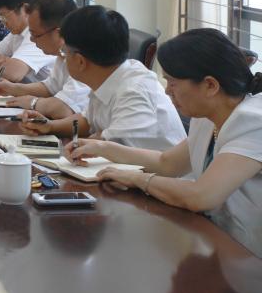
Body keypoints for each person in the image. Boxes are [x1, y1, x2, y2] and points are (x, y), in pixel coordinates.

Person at [66, 28, 262, 257]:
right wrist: (102, 148)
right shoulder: (208, 115)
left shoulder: (253, 121)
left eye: (173, 83)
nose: (167, 91)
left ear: (210, 85)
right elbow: (166, 163)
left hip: (249, 256)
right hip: (219, 243)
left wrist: (138, 179)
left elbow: (201, 196)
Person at [20, 6, 186, 149]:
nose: (62, 57)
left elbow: (109, 147)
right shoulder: (111, 77)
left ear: (80, 61)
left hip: (151, 175)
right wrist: (50, 126)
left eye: (64, 52)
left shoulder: (133, 92)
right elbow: (88, 121)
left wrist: (94, 139)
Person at [0, 0, 90, 118]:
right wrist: (12, 88)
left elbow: (64, 109)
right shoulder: (62, 53)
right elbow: (50, 87)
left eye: (35, 35)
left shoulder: (83, 58)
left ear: (58, 33)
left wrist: (33, 102)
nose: (31, 39)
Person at [0, 0, 57, 83]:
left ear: (25, 9)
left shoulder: (40, 35)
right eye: (0, 17)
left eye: (4, 16)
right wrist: (2, 63)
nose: (3, 22)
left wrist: (0, 65)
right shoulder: (17, 32)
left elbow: (13, 74)